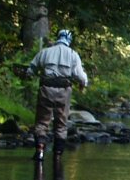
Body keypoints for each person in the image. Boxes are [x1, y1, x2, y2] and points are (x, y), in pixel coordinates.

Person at [28, 29, 89, 161]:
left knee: (42, 122)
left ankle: (39, 151)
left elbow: (30, 70)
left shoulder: (45, 52)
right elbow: (81, 77)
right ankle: (58, 155)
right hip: (63, 92)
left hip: (46, 89)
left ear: (58, 38)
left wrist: (29, 74)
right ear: (69, 40)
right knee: (61, 124)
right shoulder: (73, 54)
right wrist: (83, 84)